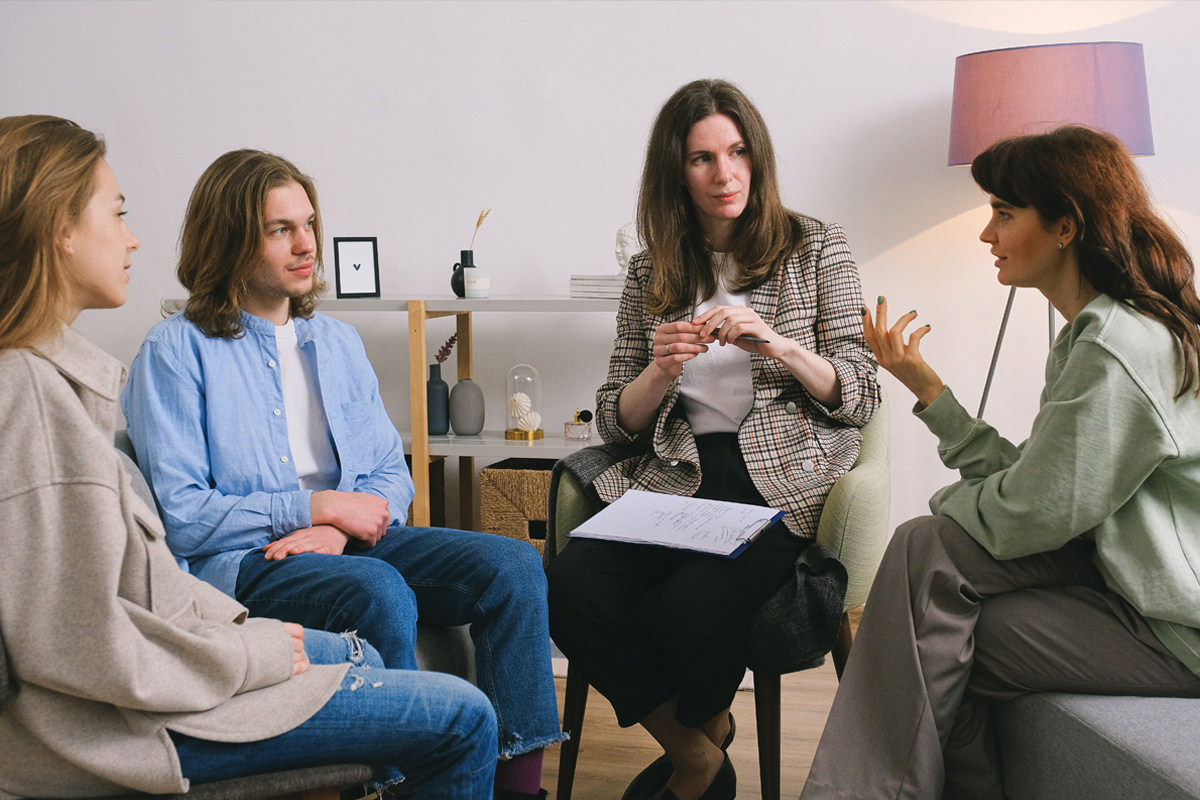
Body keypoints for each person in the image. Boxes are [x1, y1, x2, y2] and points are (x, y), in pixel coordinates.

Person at [0, 114, 498, 800]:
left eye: (309, 224)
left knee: (495, 573)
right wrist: (251, 648)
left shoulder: (60, 384)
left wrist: (254, 621)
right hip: (131, 731)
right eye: (115, 213)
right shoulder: (38, 396)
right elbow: (90, 646)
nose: (132, 236)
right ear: (59, 229)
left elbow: (137, 592)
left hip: (172, 666)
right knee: (460, 714)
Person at [119, 149, 563, 800]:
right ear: (230, 239)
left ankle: (516, 787)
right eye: (280, 230)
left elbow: (389, 473)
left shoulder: (336, 342)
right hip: (245, 561)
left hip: (346, 540)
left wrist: (338, 526)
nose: (306, 245)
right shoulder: (175, 350)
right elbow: (183, 515)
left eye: (309, 224)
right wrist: (316, 509)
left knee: (514, 567)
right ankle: (392, 784)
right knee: (377, 589)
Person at [801, 125, 1200, 799]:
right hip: (1123, 584)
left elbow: (1030, 515)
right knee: (940, 631)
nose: (988, 234)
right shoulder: (1096, 334)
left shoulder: (1118, 348)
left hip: (1173, 630)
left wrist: (949, 508)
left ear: (1066, 226)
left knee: (928, 558)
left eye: (1005, 213)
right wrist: (930, 391)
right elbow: (1045, 492)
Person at [546, 79, 880, 800]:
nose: (723, 174)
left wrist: (779, 345)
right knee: (568, 587)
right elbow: (615, 418)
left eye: (736, 153)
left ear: (756, 159)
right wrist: (661, 371)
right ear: (676, 172)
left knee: (690, 611)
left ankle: (698, 746)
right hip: (679, 474)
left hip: (778, 478)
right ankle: (696, 750)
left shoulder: (817, 247)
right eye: (701, 159)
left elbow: (861, 389)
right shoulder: (651, 271)